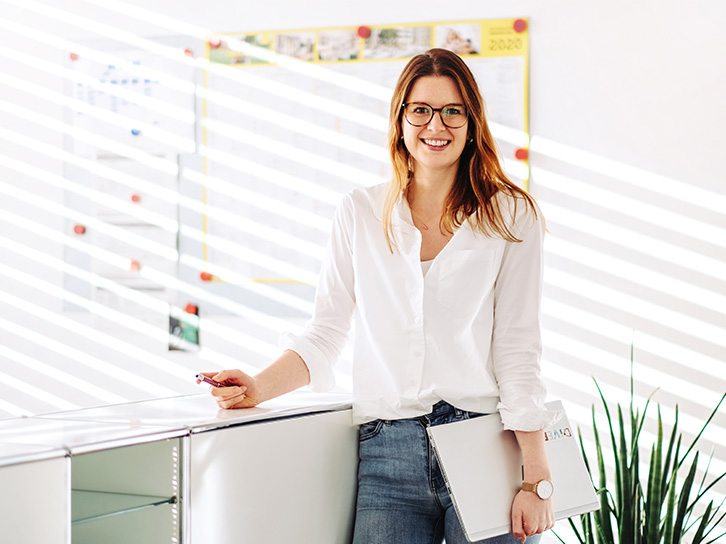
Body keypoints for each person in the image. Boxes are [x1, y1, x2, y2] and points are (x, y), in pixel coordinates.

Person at [198, 48, 561, 544]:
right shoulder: (360, 212)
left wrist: (535, 478)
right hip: (388, 451)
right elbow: (327, 330)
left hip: (484, 442)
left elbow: (519, 348)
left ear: (472, 122)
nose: (438, 124)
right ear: (401, 120)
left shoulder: (512, 215)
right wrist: (257, 388)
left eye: (453, 110)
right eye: (421, 110)